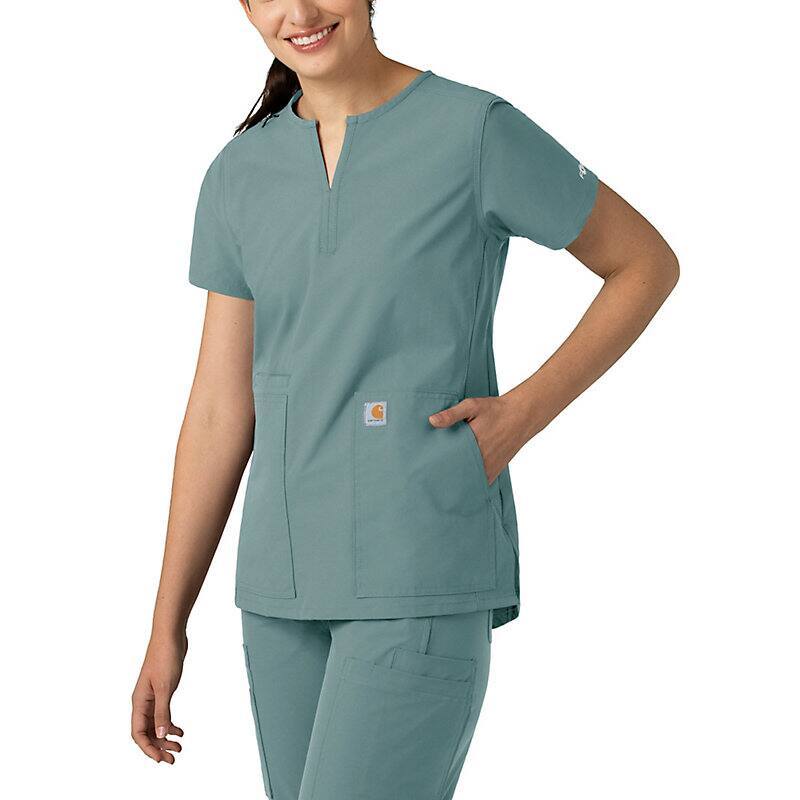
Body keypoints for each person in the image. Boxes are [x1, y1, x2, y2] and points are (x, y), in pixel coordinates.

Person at [131, 1, 679, 797]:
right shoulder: (237, 174)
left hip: (417, 559)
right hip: (279, 590)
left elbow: (644, 263)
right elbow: (220, 409)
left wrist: (519, 416)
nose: (300, 12)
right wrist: (166, 624)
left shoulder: (474, 132)